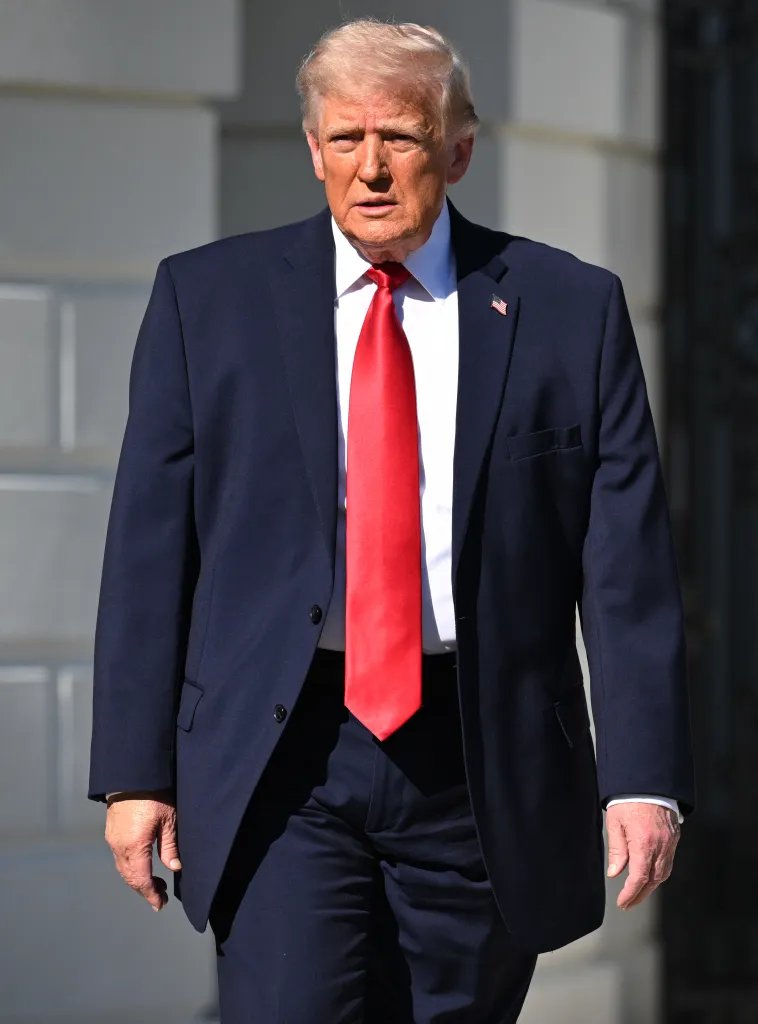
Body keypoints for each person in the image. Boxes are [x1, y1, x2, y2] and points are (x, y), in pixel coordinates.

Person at [89, 18, 695, 1024]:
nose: (369, 168)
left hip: (480, 759)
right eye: (344, 139)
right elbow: (150, 549)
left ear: (456, 150)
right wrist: (132, 772)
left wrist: (641, 779)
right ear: (313, 148)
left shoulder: (566, 309)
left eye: (400, 139)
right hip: (284, 753)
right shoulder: (209, 300)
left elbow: (624, 563)